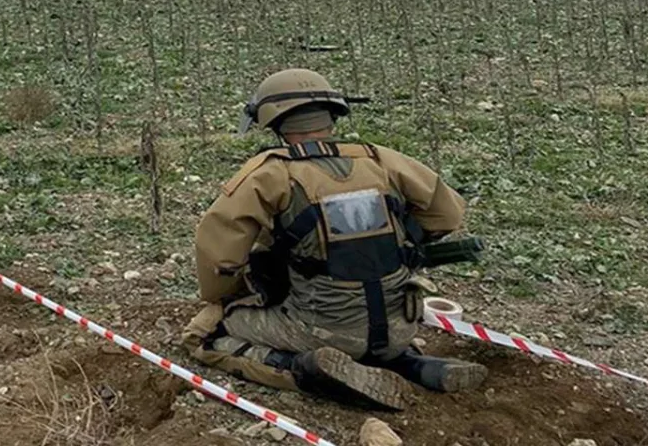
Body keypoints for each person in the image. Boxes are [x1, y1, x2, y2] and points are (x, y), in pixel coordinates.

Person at [182, 68, 488, 410]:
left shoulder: (272, 172)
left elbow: (219, 257)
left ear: (275, 121)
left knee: (203, 334)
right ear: (332, 114)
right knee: (368, 326)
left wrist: (228, 297)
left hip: (319, 330)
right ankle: (411, 364)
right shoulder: (379, 159)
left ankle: (306, 372)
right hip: (399, 326)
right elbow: (447, 215)